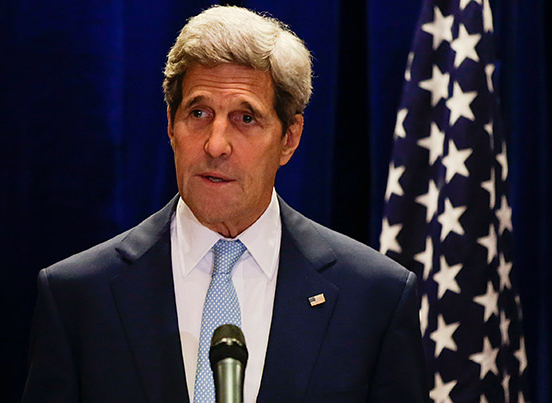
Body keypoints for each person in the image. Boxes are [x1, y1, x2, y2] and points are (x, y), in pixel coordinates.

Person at [22, 5, 428, 402]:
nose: (215, 144)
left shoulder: (374, 297)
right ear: (170, 125)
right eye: (198, 113)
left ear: (289, 137)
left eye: (245, 118)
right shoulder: (78, 296)